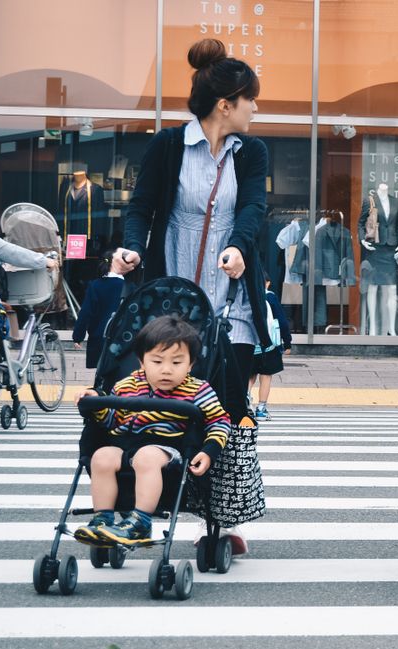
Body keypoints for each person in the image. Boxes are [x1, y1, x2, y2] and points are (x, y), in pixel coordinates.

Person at [111, 37, 270, 554]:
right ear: (227, 103)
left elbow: (252, 209)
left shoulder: (252, 150)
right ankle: (135, 501)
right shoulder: (168, 145)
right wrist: (134, 249)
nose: (255, 108)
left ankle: (220, 522)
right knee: (158, 398)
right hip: (171, 296)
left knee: (226, 407)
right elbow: (141, 208)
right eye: (251, 99)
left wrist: (239, 247)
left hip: (231, 298)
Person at [73, 315, 231, 546]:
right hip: (126, 442)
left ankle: (141, 521)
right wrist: (97, 402)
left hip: (169, 446)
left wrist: (209, 450)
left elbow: (219, 420)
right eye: (157, 362)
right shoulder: (127, 385)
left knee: (146, 456)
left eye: (176, 363)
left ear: (191, 364)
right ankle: (103, 519)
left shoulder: (198, 389)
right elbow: (111, 421)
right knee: (101, 456)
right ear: (142, 361)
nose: (166, 370)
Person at [249, 271, 291, 421]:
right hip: (270, 345)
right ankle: (261, 409)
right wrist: (287, 342)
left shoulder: (248, 296)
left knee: (250, 376)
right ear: (267, 283)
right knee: (266, 377)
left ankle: (247, 404)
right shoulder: (270, 297)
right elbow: (282, 321)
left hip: (251, 344)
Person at [72, 251, 124, 368]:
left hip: (98, 338)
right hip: (122, 338)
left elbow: (85, 313)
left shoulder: (95, 285)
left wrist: (78, 337)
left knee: (100, 370)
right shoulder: (127, 285)